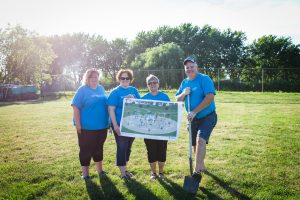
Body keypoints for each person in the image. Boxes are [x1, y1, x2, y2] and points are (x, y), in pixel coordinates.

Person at [175, 57, 217, 180]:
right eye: (187, 67)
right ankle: (201, 165)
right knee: (194, 144)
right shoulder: (184, 83)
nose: (189, 69)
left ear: (197, 66)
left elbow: (210, 97)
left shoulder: (204, 79)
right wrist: (184, 93)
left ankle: (196, 171)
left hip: (207, 116)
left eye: (192, 66)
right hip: (192, 119)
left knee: (200, 140)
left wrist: (194, 111)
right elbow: (177, 99)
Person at [71, 68, 109, 180]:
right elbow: (75, 106)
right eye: (91, 77)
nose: (94, 79)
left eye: (96, 77)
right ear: (87, 78)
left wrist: (109, 122)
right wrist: (78, 124)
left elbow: (106, 105)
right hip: (86, 127)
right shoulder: (82, 90)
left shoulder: (101, 88)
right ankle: (85, 174)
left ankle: (100, 171)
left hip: (102, 126)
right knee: (85, 150)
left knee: (99, 148)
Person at [107, 69, 141, 180]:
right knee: (122, 147)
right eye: (122, 78)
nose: (125, 80)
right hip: (119, 124)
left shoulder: (134, 90)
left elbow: (141, 105)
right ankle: (122, 174)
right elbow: (111, 109)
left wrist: (134, 99)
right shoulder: (115, 92)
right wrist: (115, 126)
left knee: (128, 147)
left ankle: (125, 169)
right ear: (119, 79)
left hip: (132, 124)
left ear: (130, 79)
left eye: (127, 78)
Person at [141, 74, 170, 179]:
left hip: (162, 130)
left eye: (154, 82)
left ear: (158, 84)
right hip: (148, 131)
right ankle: (153, 173)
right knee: (151, 151)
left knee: (162, 151)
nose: (152, 84)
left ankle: (161, 172)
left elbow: (170, 113)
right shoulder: (143, 98)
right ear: (147, 85)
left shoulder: (165, 97)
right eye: (150, 83)